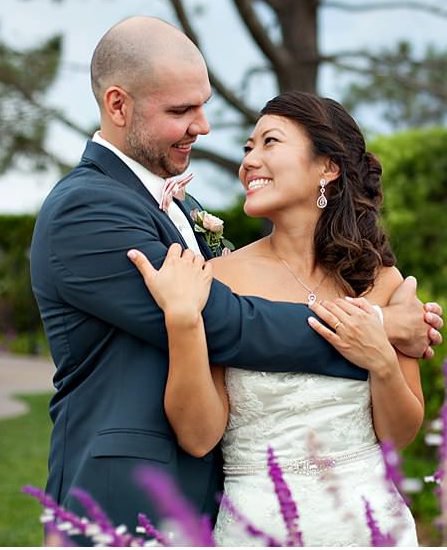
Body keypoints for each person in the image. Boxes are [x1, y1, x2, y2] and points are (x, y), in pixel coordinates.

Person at [29, 16, 444, 535]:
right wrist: (376, 327)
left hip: (317, 513)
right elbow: (225, 323)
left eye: (202, 106)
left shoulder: (188, 210)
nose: (203, 127)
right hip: (129, 494)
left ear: (329, 167)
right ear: (118, 105)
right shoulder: (86, 209)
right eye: (181, 110)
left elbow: (399, 429)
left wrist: (381, 350)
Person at [128, 91, 425, 545]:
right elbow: (198, 435)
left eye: (270, 142)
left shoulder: (381, 281)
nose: (249, 161)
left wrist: (381, 360)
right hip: (259, 527)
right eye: (248, 148)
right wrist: (183, 319)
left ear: (327, 167)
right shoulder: (218, 278)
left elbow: (398, 436)